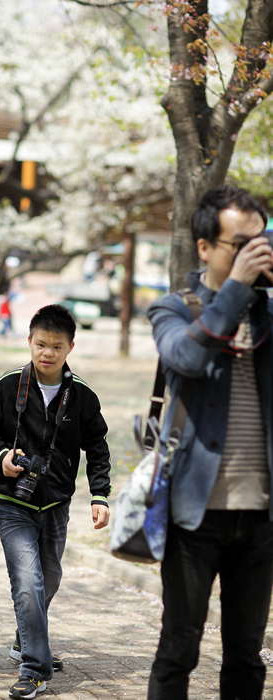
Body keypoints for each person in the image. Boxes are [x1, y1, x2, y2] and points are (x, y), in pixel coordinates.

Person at [146, 184, 273, 700]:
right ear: (205, 247)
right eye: (239, 244)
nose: (252, 253)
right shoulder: (173, 308)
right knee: (180, 647)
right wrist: (236, 290)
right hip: (195, 513)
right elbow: (187, 360)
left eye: (259, 242)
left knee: (246, 653)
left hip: (261, 514)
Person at [0, 304, 111, 699]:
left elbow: (97, 448)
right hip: (12, 501)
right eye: (39, 344)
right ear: (29, 341)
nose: (46, 353)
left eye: (55, 346)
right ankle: (35, 667)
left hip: (56, 503)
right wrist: (1, 456)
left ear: (70, 347)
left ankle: (23, 641)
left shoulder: (82, 395)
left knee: (49, 579)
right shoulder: (9, 384)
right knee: (28, 581)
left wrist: (99, 494)